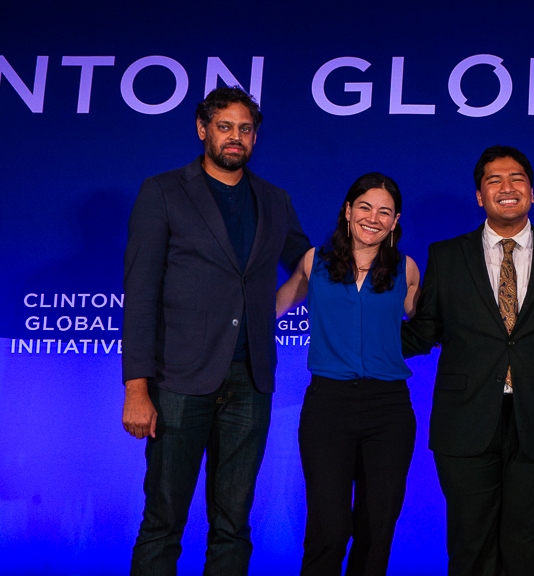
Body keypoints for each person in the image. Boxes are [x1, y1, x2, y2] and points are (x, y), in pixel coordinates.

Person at [121, 86, 311, 575]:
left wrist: (380, 257)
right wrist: (136, 388)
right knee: (163, 521)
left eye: (245, 129)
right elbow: (140, 295)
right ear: (203, 130)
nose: (235, 137)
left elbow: (312, 265)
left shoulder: (274, 199)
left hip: (251, 381)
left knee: (233, 525)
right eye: (225, 127)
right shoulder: (162, 192)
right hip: (179, 381)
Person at [402, 145, 534, 575]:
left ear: (532, 192)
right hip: (464, 421)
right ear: (479, 196)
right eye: (494, 181)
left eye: (517, 179)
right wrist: (359, 329)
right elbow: (424, 330)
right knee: (470, 547)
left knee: (526, 549)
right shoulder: (446, 256)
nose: (507, 188)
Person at [276, 173, 420, 576]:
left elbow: (427, 326)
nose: (373, 218)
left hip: (388, 409)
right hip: (328, 406)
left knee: (376, 528)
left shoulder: (407, 269)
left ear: (395, 221)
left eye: (384, 212)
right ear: (347, 210)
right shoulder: (313, 261)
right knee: (329, 527)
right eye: (365, 207)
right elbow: (275, 305)